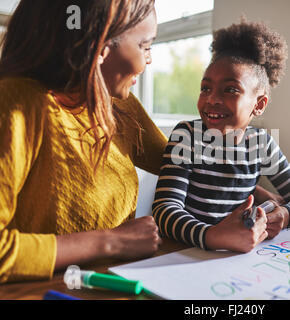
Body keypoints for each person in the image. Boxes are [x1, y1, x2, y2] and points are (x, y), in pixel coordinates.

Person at [0, 0, 167, 283]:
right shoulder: (16, 104)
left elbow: (180, 165)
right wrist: (110, 241)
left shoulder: (119, 105)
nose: (148, 60)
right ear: (100, 46)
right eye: (144, 46)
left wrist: (257, 200)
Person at [152, 19, 290, 253]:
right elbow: (165, 210)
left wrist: (285, 215)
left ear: (259, 104)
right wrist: (212, 236)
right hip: (187, 254)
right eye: (205, 88)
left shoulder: (261, 144)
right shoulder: (187, 136)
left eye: (230, 89)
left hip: (236, 260)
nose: (212, 99)